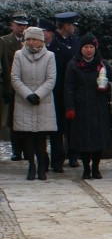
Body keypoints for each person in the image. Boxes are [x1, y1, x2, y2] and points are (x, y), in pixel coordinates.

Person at [63, 34, 112, 179]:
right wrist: (70, 107)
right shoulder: (73, 64)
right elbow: (68, 87)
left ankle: (96, 167)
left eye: (91, 47)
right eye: (86, 47)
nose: (89, 50)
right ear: (81, 49)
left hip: (99, 107)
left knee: (99, 140)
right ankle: (86, 168)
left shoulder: (102, 64)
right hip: (81, 107)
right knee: (83, 140)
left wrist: (106, 88)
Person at [11, 27, 57, 180]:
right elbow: (15, 78)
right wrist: (27, 94)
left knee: (41, 137)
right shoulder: (19, 55)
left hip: (43, 101)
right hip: (25, 101)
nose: (31, 42)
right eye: (28, 39)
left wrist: (38, 94)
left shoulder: (50, 56)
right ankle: (31, 165)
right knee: (28, 136)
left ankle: (42, 167)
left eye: (34, 39)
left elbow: (51, 79)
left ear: (41, 40)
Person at [46, 13, 79, 172]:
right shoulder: (54, 42)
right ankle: (57, 160)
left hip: (73, 90)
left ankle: (73, 155)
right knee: (57, 128)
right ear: (66, 26)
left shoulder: (74, 40)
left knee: (72, 127)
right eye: (72, 25)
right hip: (57, 91)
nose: (74, 28)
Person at [1, 14, 28, 161]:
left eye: (24, 25)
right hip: (12, 86)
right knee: (14, 121)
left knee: (26, 119)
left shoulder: (30, 42)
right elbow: (4, 67)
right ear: (12, 25)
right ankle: (17, 150)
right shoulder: (5, 42)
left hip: (28, 86)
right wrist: (7, 88)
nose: (22, 27)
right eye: (18, 25)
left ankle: (27, 149)